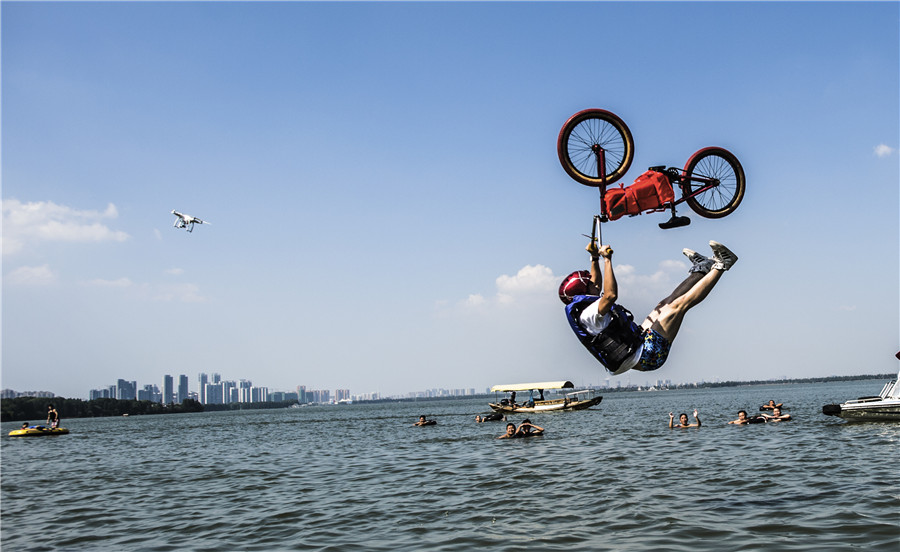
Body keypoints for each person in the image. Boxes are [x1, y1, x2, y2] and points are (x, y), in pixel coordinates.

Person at [560, 239, 738, 375]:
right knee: (677, 306)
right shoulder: (589, 314)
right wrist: (607, 260)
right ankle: (722, 264)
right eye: (588, 282)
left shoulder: (582, 305)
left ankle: (702, 269)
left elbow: (595, 283)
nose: (594, 282)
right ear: (583, 290)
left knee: (664, 305)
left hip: (638, 342)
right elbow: (610, 295)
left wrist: (594, 258)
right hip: (647, 356)